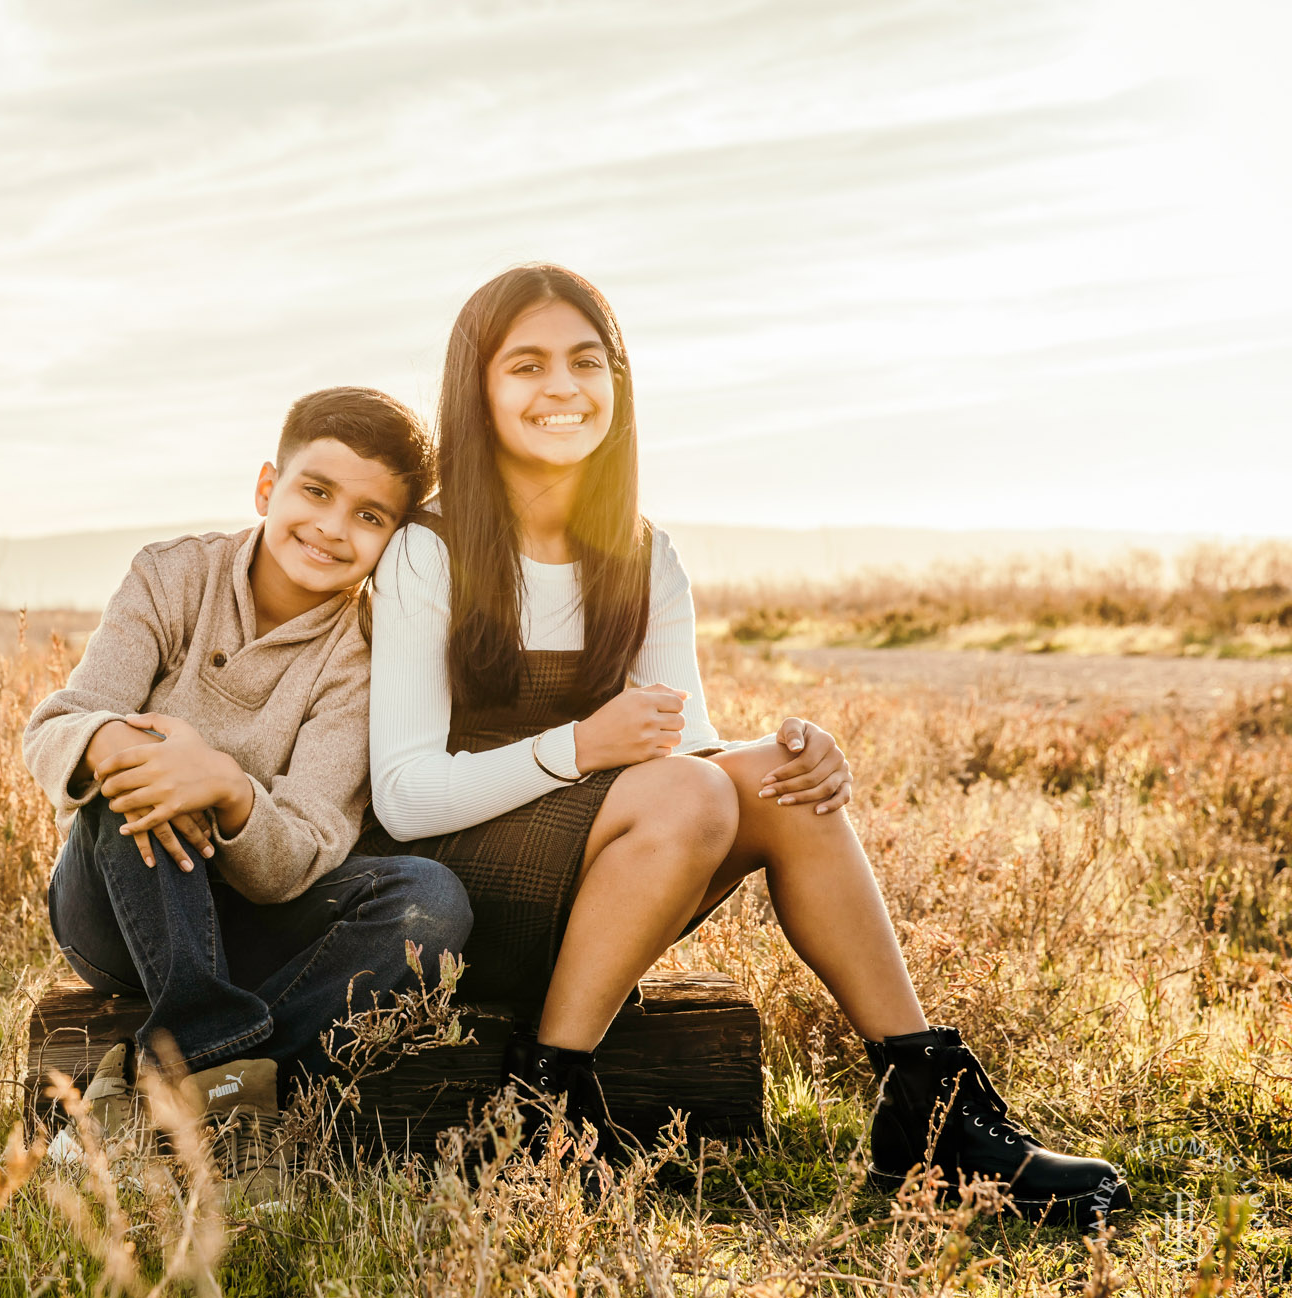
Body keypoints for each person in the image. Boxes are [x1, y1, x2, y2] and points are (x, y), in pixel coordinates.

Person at [361, 264, 1129, 1228]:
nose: (562, 386)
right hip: (459, 896)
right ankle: (546, 1107)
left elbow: (687, 749)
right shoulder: (429, 551)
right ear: (478, 391)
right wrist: (581, 744)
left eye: (586, 361)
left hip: (603, 889)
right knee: (693, 792)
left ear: (618, 383)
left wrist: (793, 759)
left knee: (769, 775)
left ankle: (929, 1107)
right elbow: (401, 794)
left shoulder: (643, 556)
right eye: (526, 364)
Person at [23, 385, 472, 1205]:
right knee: (141, 762)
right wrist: (136, 745)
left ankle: (161, 1081)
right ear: (268, 486)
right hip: (118, 906)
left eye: (371, 517)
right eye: (316, 492)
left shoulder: (361, 657)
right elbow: (57, 725)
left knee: (430, 902)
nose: (333, 528)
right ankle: (228, 1099)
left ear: (393, 541)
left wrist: (227, 789)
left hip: (255, 921)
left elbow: (297, 852)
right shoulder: (172, 576)